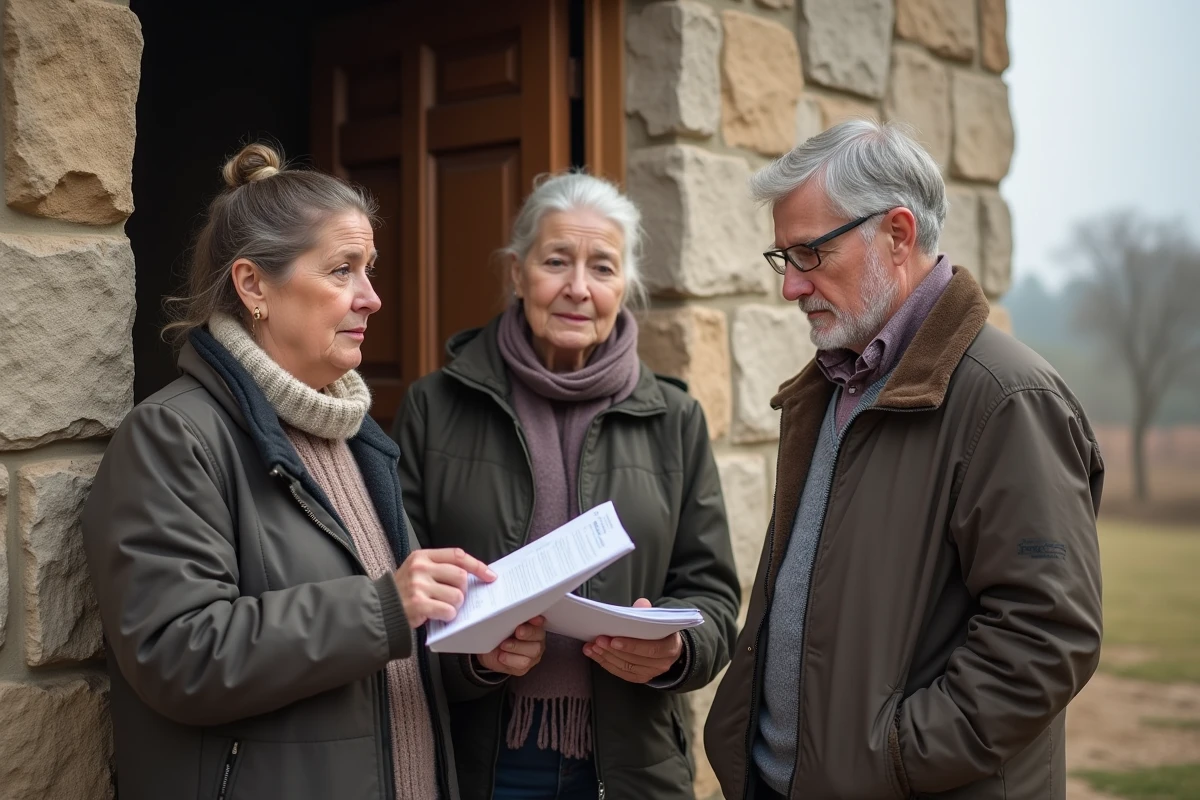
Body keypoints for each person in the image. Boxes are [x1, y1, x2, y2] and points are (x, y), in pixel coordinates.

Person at [81, 143, 543, 800]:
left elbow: (377, 662)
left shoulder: (357, 438)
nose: (372, 298)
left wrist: (471, 656)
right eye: (341, 270)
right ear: (253, 286)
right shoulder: (173, 437)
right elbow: (178, 654)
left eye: (369, 270)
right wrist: (385, 605)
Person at [703, 120, 1104, 800]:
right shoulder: (831, 386)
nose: (790, 287)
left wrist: (892, 759)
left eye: (809, 254)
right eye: (782, 258)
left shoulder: (1008, 399)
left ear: (897, 234)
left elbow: (1046, 636)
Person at [393, 172, 741, 800]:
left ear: (624, 286)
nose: (578, 287)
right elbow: (398, 585)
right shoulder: (435, 406)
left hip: (631, 765)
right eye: (556, 261)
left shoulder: (675, 418)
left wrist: (678, 649)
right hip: (480, 760)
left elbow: (712, 594)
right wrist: (474, 656)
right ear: (518, 273)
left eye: (602, 267)